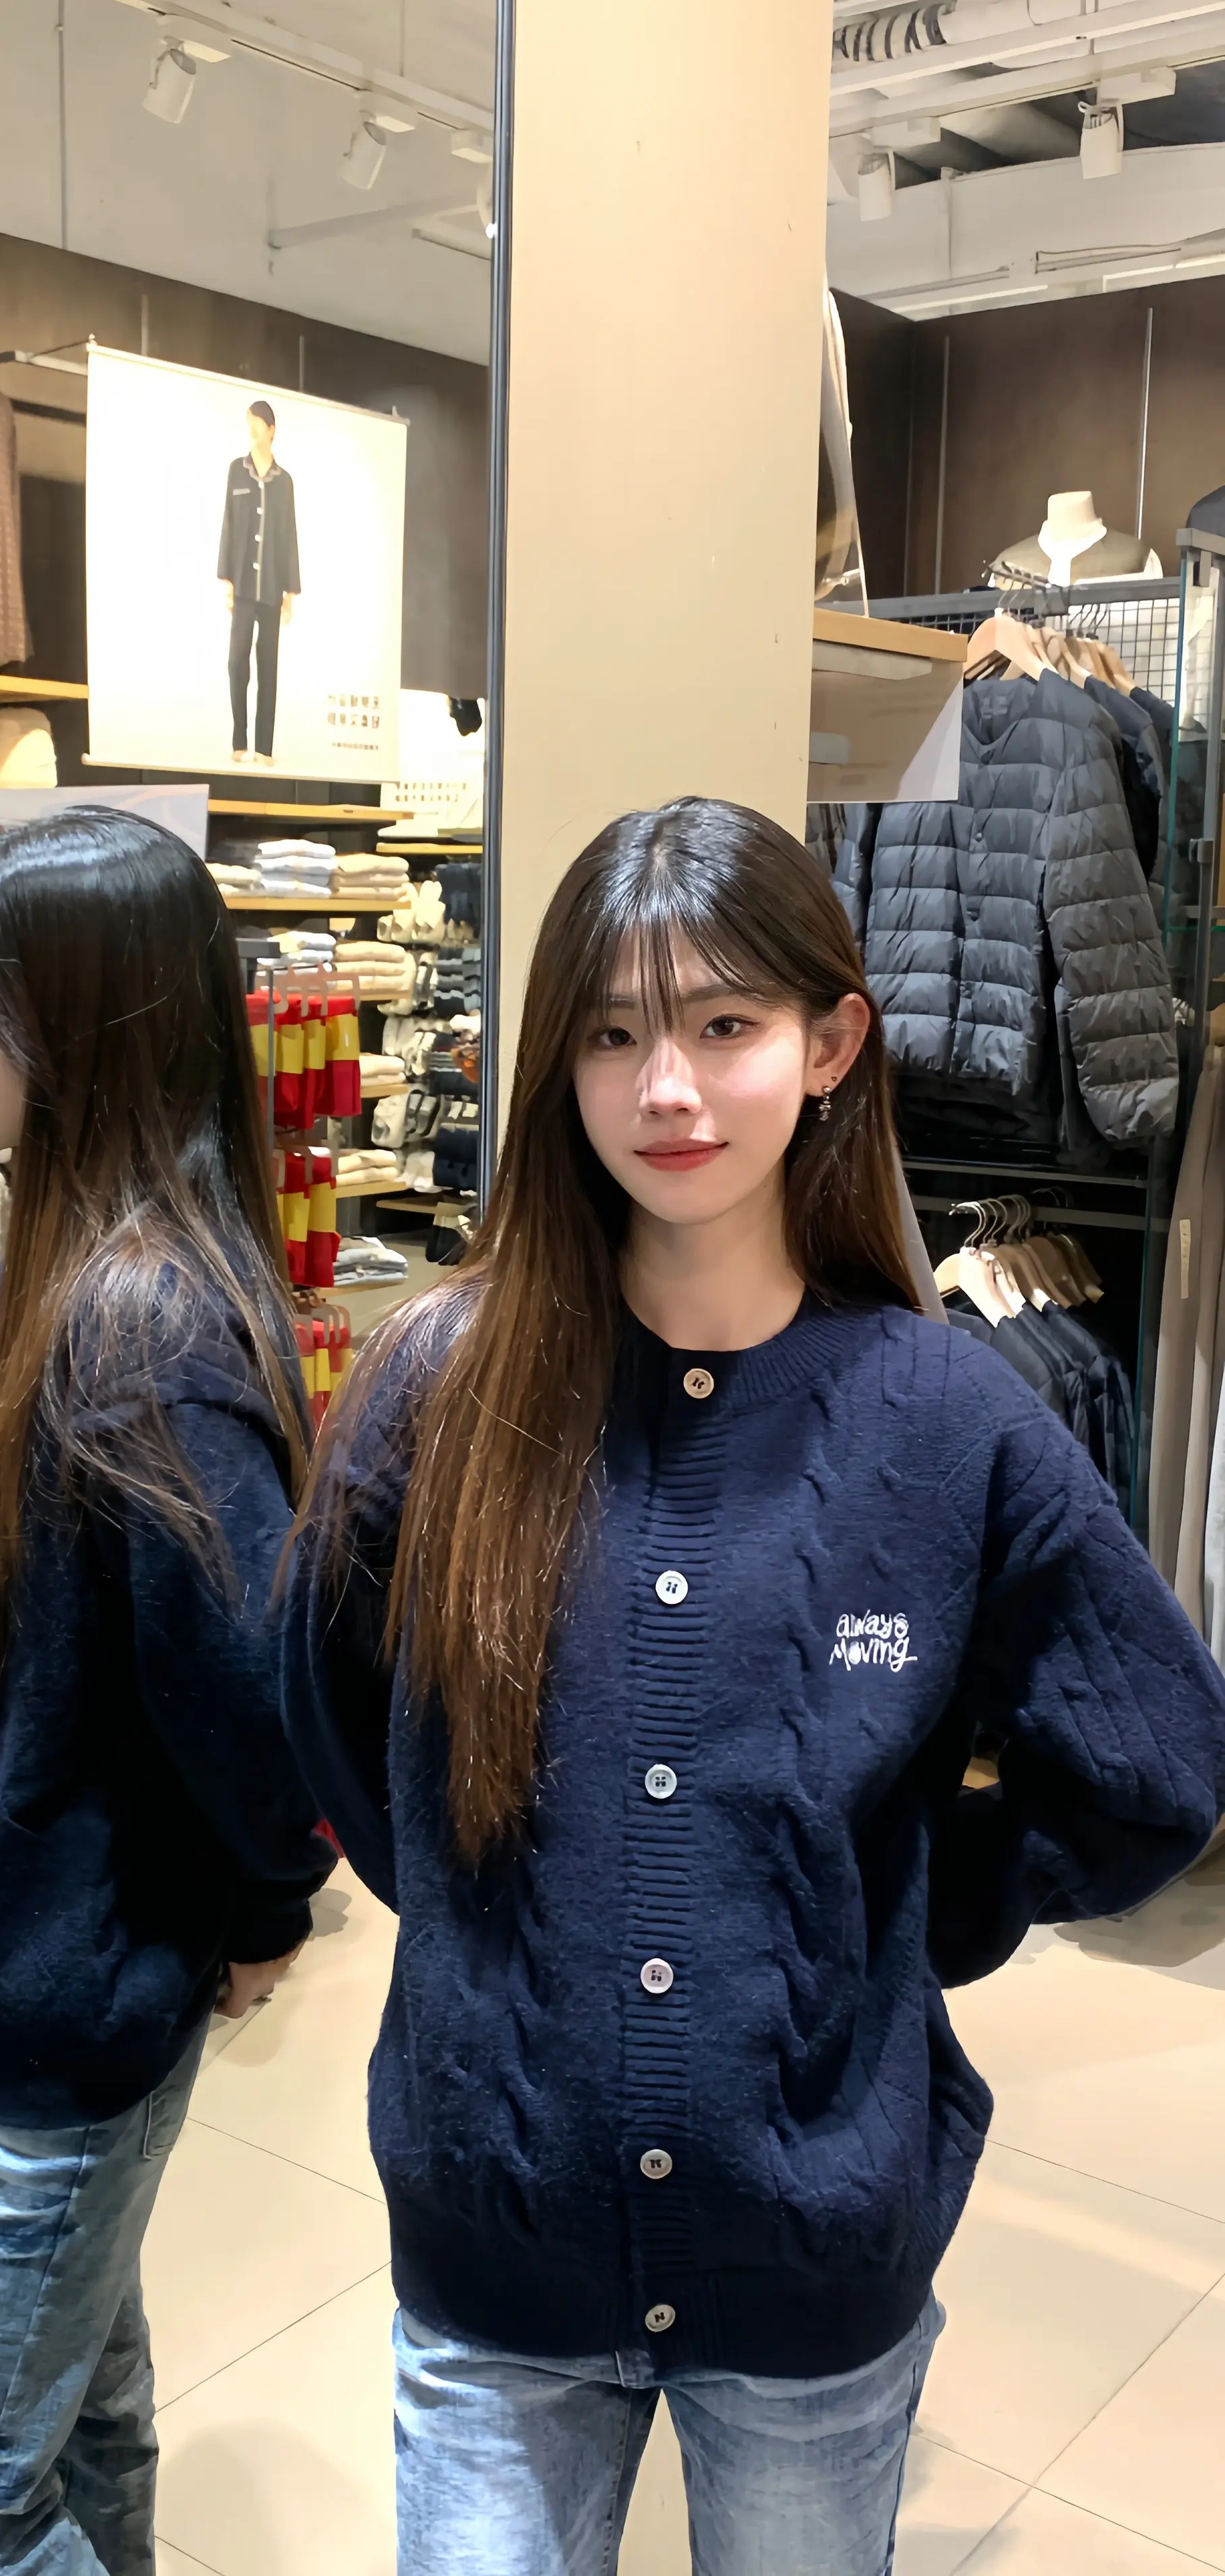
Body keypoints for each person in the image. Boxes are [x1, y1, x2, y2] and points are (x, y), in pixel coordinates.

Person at [279, 796, 1225, 2576]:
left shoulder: (945, 1420)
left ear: (832, 1040)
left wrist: (902, 1915)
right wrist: (491, 1911)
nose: (669, 1091)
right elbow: (333, 1708)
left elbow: (1158, 1761)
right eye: (612, 1035)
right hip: (495, 2238)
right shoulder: (438, 1384)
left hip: (811, 2259)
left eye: (725, 1025)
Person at [0, 809, 333, 2576]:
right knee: (80, 2416)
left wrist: (268, 1901)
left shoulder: (140, 1332)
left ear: (96, 1016)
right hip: (0, 1966)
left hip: (65, 1999)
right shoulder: (51, 1275)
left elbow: (252, 1692)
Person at [217, 396, 301, 767]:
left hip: (271, 587)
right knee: (237, 662)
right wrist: (227, 580)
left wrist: (290, 593)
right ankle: (240, 742)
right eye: (248, 423)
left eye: (258, 424)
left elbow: (289, 535)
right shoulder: (237, 471)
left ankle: (264, 748)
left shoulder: (285, 482)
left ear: (271, 430)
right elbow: (229, 524)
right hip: (243, 586)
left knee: (268, 665)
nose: (251, 430)